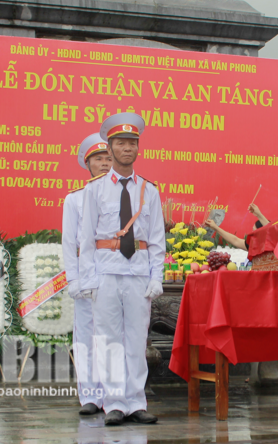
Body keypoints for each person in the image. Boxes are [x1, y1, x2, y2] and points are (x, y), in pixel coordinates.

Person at [77, 113, 165, 426]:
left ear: (138, 148)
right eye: (120, 143)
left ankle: (136, 401)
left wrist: (157, 277)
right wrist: (87, 278)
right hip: (106, 273)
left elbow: (156, 239)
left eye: (132, 143)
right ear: (110, 148)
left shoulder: (149, 191)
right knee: (109, 339)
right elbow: (85, 240)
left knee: (136, 340)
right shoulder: (95, 189)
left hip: (138, 274)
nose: (127, 149)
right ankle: (114, 402)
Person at [63, 133, 112, 415]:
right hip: (87, 277)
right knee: (86, 338)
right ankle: (91, 397)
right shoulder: (75, 199)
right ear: (88, 164)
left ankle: (114, 396)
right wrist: (73, 278)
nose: (104, 164)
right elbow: (70, 242)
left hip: (116, 276)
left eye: (108, 158)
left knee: (114, 337)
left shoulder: (124, 195)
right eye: (98, 159)